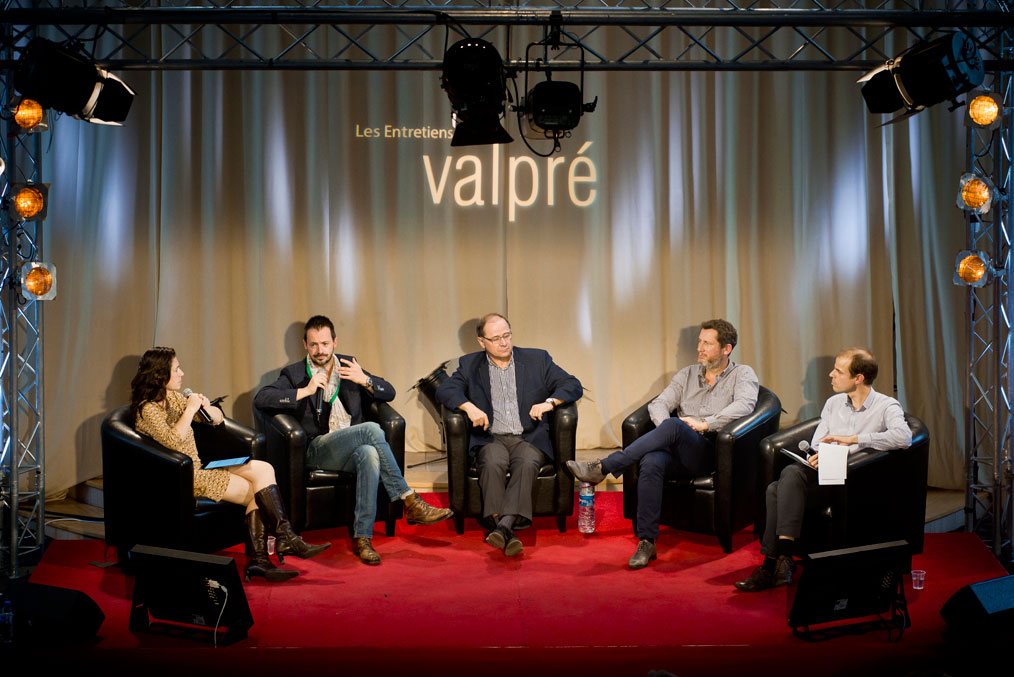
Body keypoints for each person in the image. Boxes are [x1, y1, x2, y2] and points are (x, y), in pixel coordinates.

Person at [254, 315, 452, 565]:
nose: (320, 350)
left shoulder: (349, 366)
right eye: (313, 344)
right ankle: (408, 499)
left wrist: (365, 380)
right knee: (371, 430)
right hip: (317, 448)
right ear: (305, 345)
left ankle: (363, 539)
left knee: (369, 454)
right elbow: (262, 398)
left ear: (335, 342)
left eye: (325, 344)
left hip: (350, 448)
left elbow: (389, 391)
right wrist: (305, 391)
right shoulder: (294, 373)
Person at [568, 319, 758, 569]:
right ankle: (647, 541)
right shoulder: (687, 374)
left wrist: (705, 424)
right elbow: (659, 404)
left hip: (712, 452)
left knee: (675, 427)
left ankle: (605, 467)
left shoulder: (742, 374)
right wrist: (668, 430)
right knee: (652, 460)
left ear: (726, 349)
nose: (699, 348)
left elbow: (745, 405)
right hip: (677, 446)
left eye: (707, 343)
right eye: (699, 341)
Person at [131, 347, 329, 583]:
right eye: (177, 369)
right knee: (255, 492)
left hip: (200, 466)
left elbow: (216, 420)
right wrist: (190, 409)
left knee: (264, 469)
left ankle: (284, 540)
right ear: (159, 374)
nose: (182, 373)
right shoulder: (148, 409)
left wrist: (207, 408)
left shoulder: (172, 398)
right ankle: (264, 557)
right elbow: (172, 441)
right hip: (184, 476)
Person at [734, 347, 912, 592]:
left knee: (778, 486)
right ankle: (781, 561)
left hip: (853, 479)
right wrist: (818, 455)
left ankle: (770, 566)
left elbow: (904, 437)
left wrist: (854, 440)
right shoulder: (833, 403)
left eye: (838, 371)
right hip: (825, 472)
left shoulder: (886, 406)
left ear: (858, 378)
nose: (831, 375)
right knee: (782, 482)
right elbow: (819, 441)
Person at [435, 313, 583, 556]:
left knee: (527, 463)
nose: (504, 343)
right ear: (482, 342)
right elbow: (445, 391)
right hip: (491, 438)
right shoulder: (470, 365)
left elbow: (572, 384)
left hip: (528, 437)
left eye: (507, 335)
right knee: (492, 463)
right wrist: (469, 407)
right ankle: (508, 528)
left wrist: (549, 403)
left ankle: (500, 527)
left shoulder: (537, 359)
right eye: (496, 339)